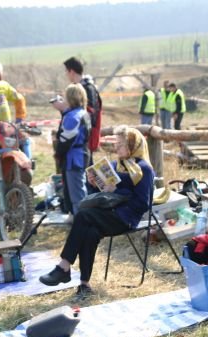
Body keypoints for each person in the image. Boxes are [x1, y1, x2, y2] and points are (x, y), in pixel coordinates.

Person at [39, 126, 154, 297]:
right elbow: (102, 195)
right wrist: (94, 183)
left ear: (133, 145)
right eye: (116, 143)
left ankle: (64, 267)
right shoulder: (116, 165)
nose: (116, 147)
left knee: (83, 215)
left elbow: (143, 203)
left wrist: (116, 191)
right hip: (107, 213)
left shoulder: (143, 169)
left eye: (121, 144)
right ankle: (84, 285)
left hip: (126, 218)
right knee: (90, 232)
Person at [54, 83, 91, 217]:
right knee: (75, 191)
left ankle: (82, 221)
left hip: (74, 158)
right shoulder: (82, 113)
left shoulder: (72, 116)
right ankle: (77, 217)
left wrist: (58, 153)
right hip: (80, 155)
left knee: (77, 195)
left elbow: (65, 140)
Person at [62, 56, 102, 161]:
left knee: (86, 166)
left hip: (86, 137)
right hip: (79, 136)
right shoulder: (80, 87)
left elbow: (91, 113)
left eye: (66, 71)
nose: (66, 74)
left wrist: (67, 109)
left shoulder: (88, 88)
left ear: (71, 71)